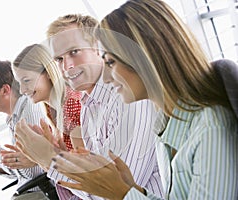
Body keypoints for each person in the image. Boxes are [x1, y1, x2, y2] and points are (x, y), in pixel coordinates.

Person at [50, 0, 238, 199]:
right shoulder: (166, 124)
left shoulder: (210, 127)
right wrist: (135, 191)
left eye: (111, 62)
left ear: (144, 58)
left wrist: (123, 194)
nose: (106, 77)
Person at [14, 14, 164, 199]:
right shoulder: (87, 108)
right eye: (59, 59)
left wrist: (50, 159)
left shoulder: (128, 96)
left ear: (97, 46)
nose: (67, 66)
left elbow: (113, 191)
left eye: (74, 52)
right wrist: (57, 156)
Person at [0, 60, 51, 200]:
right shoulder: (14, 117)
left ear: (5, 90)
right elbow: (23, 172)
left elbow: (33, 171)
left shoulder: (29, 112)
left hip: (42, 193)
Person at [12, 43, 83, 200]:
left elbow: (83, 167)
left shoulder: (71, 105)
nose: (23, 90)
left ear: (48, 73)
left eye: (27, 81)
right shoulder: (52, 111)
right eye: (19, 83)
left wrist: (41, 157)